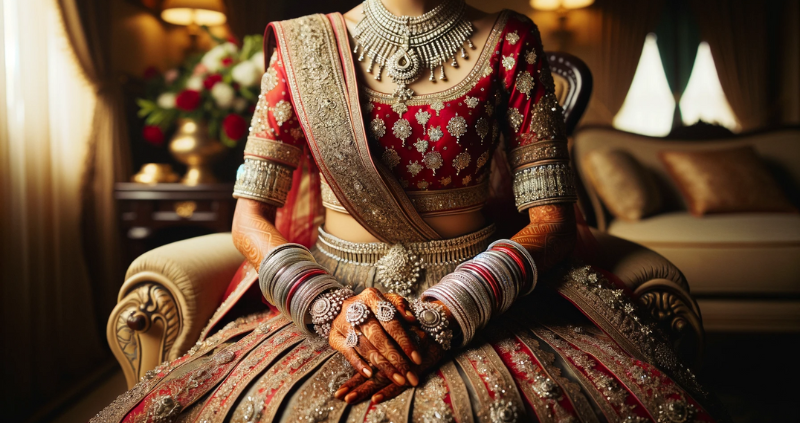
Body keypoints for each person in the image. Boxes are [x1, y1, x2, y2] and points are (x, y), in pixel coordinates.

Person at [94, 1, 724, 422]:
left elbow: (552, 221)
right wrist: (328, 307)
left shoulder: (509, 40)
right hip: (333, 300)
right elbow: (248, 219)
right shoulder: (306, 45)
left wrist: (450, 309)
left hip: (481, 298)